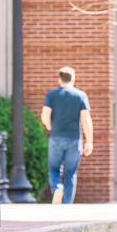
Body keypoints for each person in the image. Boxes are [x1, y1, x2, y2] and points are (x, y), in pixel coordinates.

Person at [40, 66, 92, 204]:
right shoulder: (80, 95)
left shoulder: (52, 95)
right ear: (73, 79)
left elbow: (45, 115)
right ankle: (67, 204)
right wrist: (89, 141)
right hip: (75, 139)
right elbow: (86, 119)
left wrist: (49, 126)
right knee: (71, 173)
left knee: (54, 169)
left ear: (60, 79)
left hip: (56, 137)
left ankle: (57, 188)